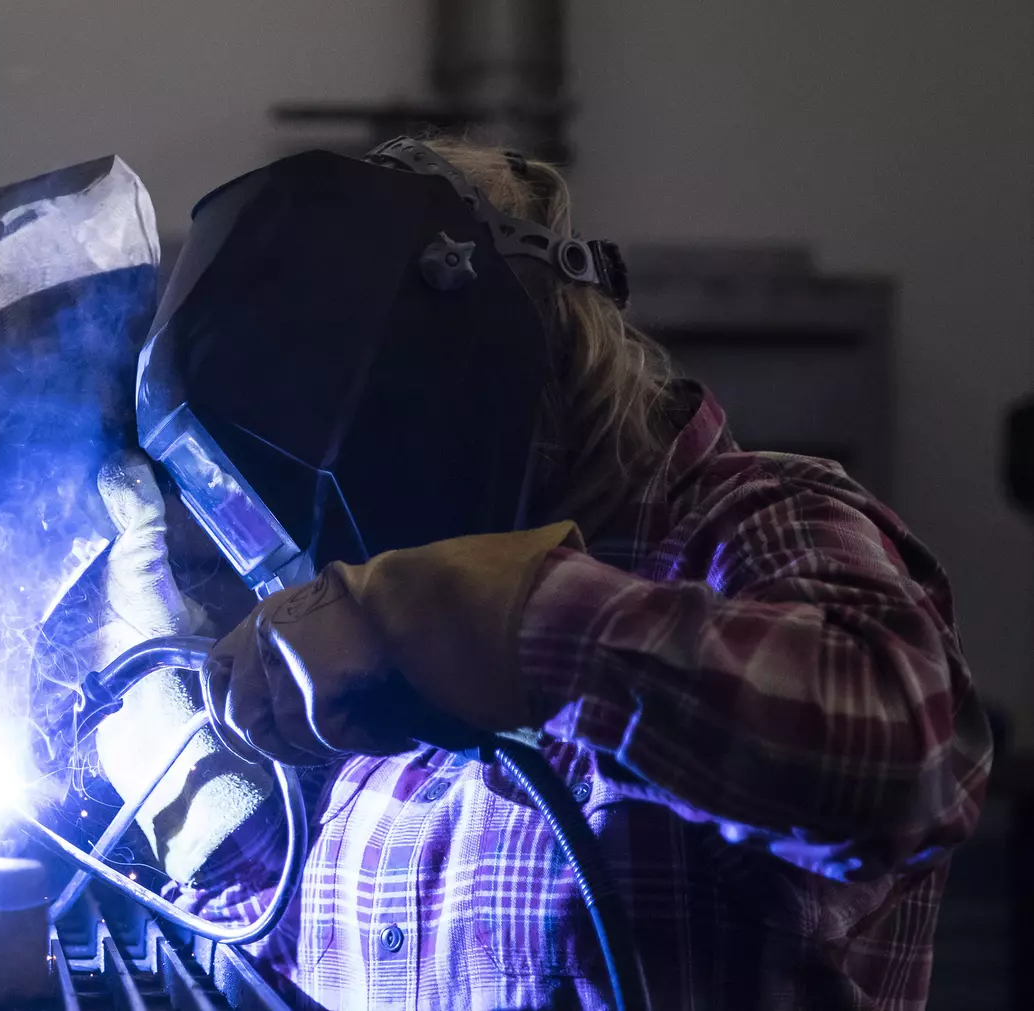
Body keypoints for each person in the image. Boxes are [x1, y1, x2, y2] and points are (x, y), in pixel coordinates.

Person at [92, 134, 992, 1010]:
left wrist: (495, 617)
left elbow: (900, 752)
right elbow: (297, 962)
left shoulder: (749, 527)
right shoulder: (372, 674)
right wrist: (194, 790)